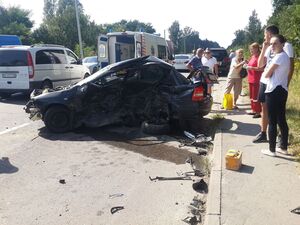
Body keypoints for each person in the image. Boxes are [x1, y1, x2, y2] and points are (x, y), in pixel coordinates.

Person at [253, 25, 294, 143]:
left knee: (278, 112)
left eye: (265, 34)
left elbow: (291, 66)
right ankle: (263, 133)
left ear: (269, 33)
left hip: (278, 84)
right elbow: (260, 65)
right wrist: (265, 47)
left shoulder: (286, 45)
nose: (264, 36)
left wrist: (286, 83)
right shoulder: (268, 46)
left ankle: (281, 136)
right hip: (265, 81)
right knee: (264, 108)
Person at [261, 34, 290, 157]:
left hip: (274, 91)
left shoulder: (279, 57)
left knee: (272, 121)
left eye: (275, 43)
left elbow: (267, 74)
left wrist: (268, 72)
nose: (272, 46)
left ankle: (272, 150)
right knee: (281, 119)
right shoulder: (284, 57)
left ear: (282, 44)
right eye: (271, 43)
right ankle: (283, 147)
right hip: (281, 90)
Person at [246, 42, 264, 118]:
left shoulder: (260, 57)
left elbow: (261, 68)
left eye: (252, 49)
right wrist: (247, 64)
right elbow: (251, 64)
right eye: (250, 49)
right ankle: (253, 110)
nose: (251, 50)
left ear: (256, 49)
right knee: (252, 96)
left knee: (256, 96)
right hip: (251, 78)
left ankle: (258, 112)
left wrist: (251, 68)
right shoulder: (253, 56)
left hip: (257, 79)